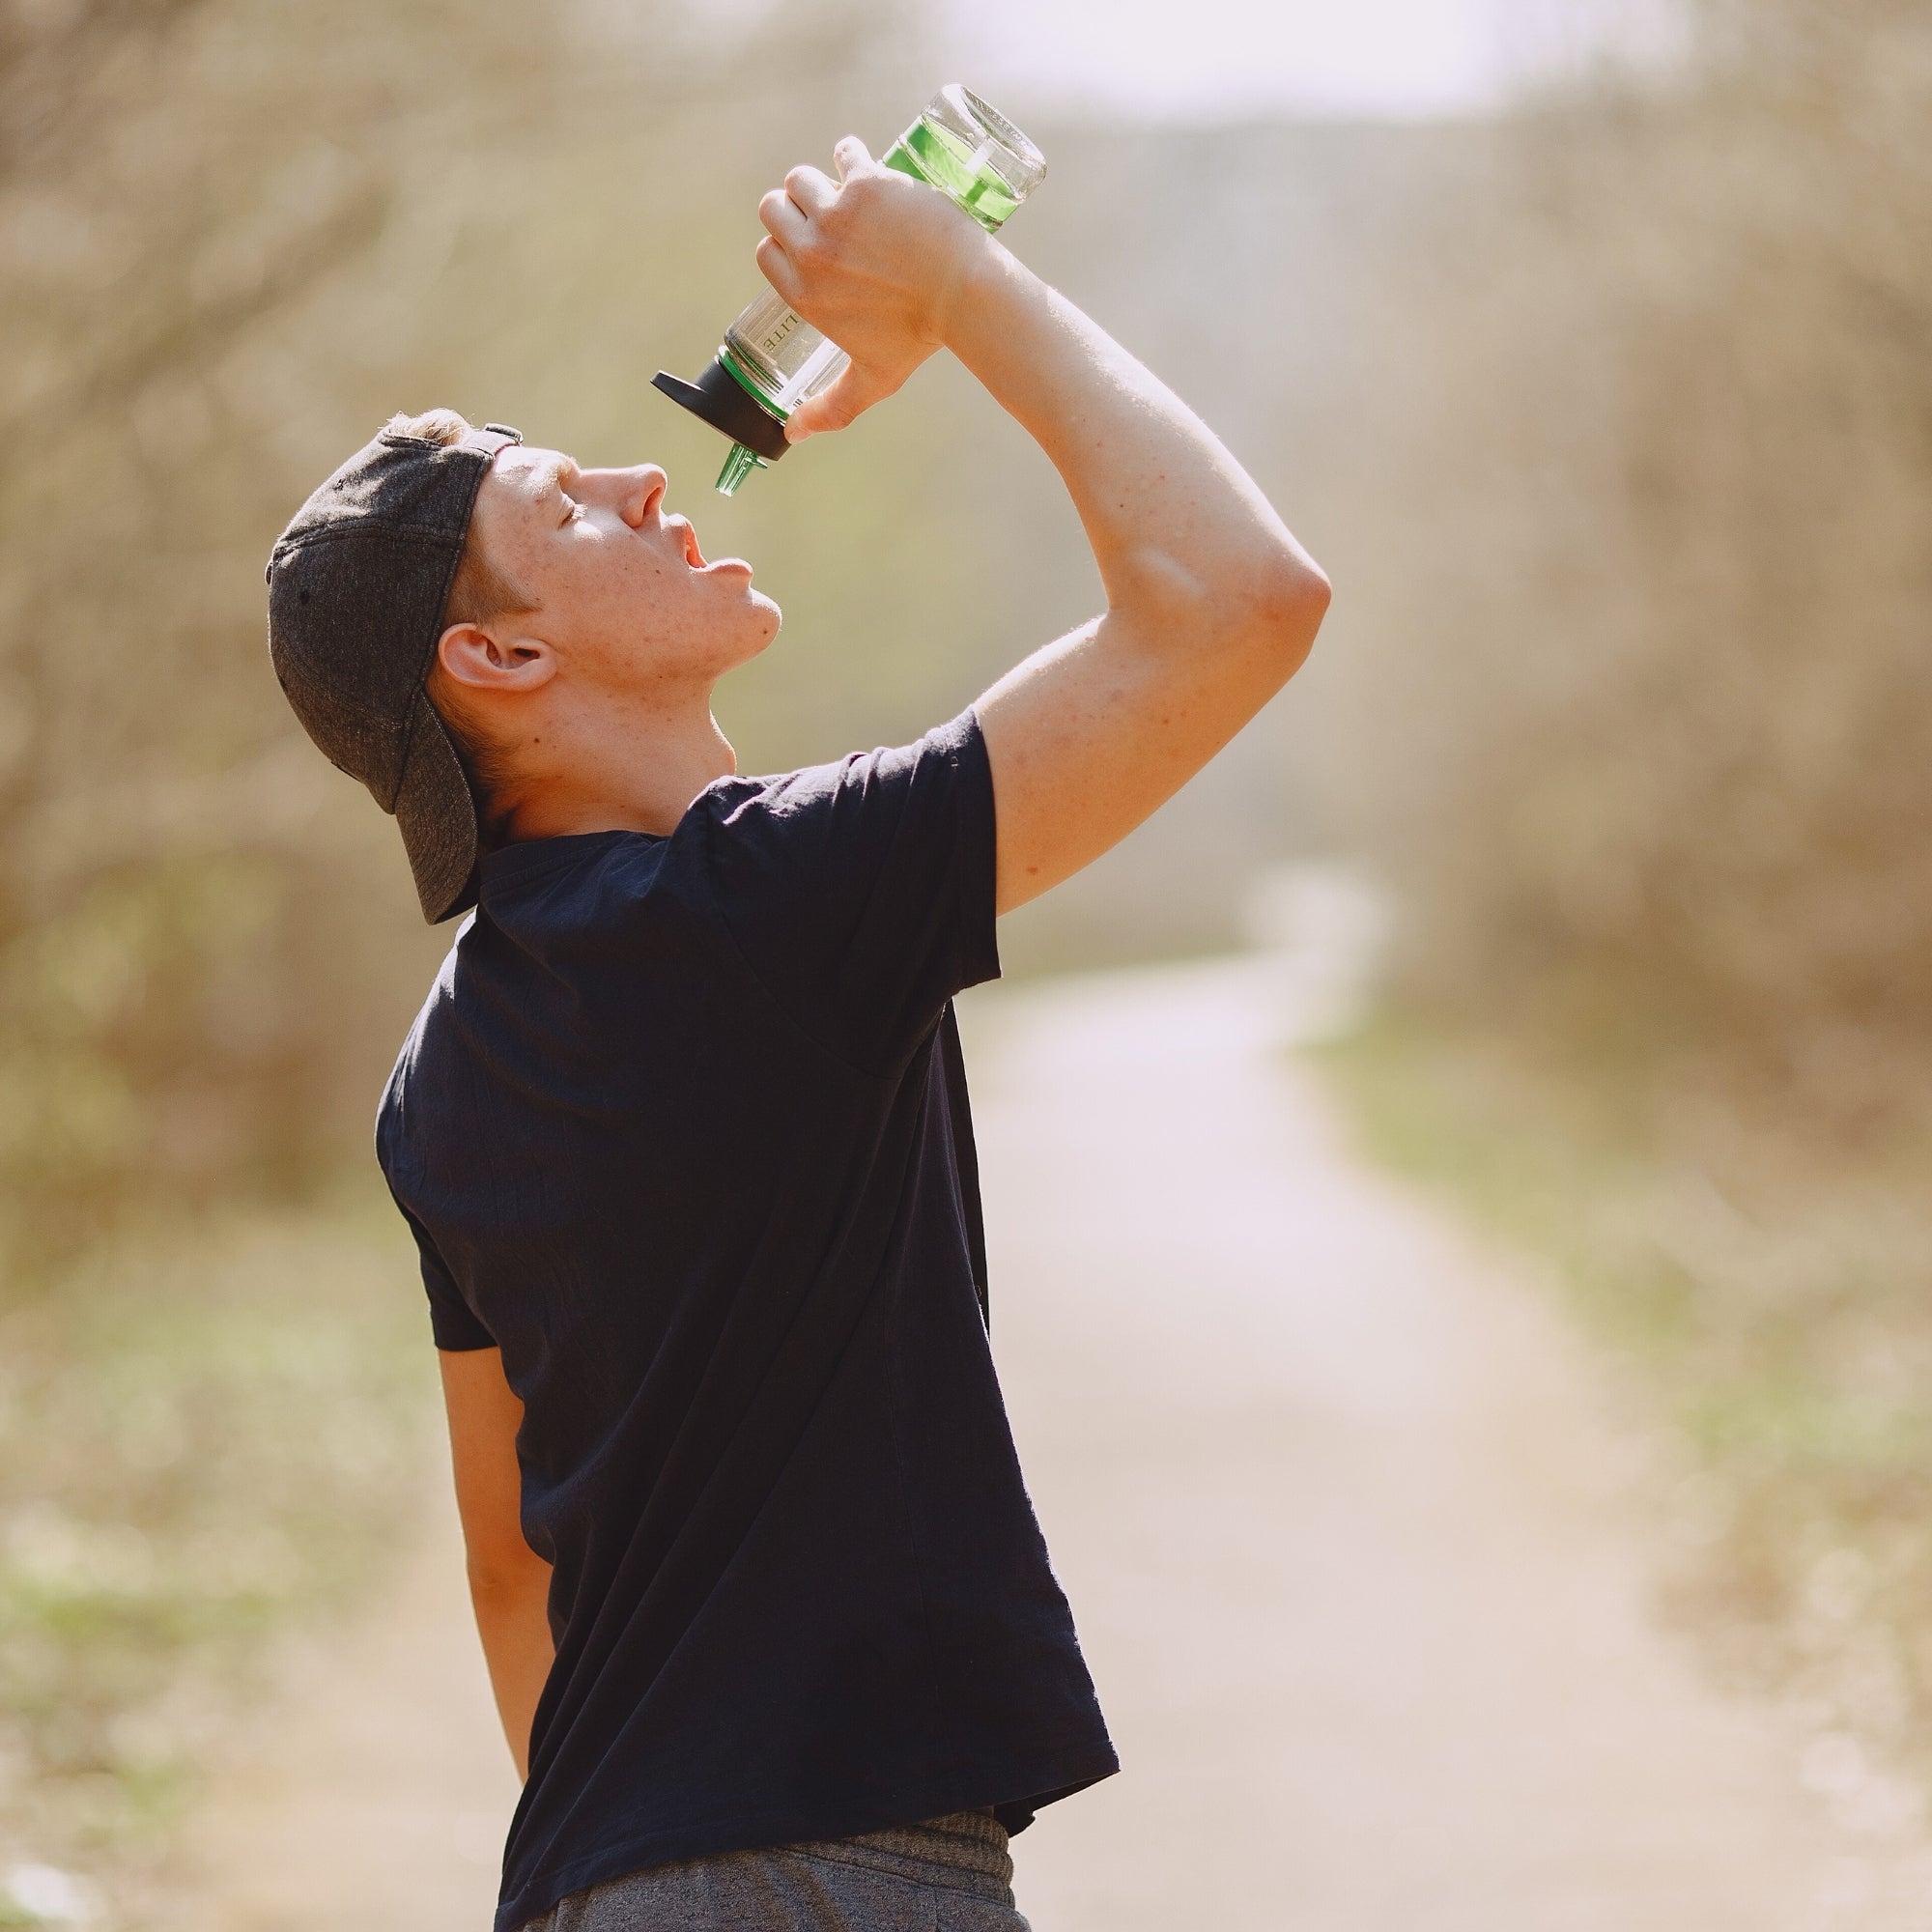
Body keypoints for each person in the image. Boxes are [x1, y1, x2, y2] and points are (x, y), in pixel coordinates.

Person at [265, 135, 1328, 1932]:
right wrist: (965, 293)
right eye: (561, 508)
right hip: (830, 1877)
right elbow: (1242, 599)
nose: (629, 471)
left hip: (604, 1874)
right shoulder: (762, 913)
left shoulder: (442, 1071)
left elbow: (517, 1569)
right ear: (502, 667)